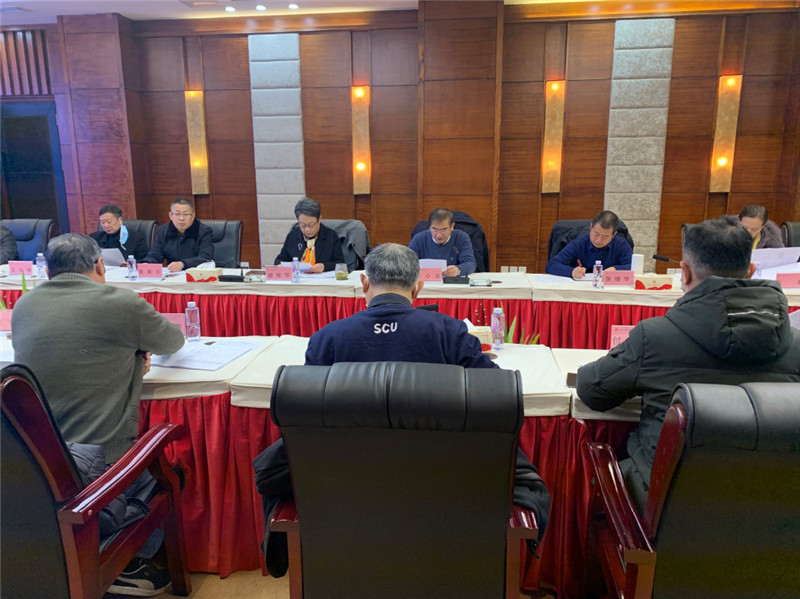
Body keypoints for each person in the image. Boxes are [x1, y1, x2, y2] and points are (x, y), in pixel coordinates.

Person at [255, 243, 550, 576]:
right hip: (446, 488)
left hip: (343, 490)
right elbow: (495, 398)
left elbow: (308, 418)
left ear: (364, 284)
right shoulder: (450, 333)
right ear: (418, 288)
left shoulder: (328, 339)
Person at [576, 218, 800, 513]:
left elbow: (592, 390)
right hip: (771, 515)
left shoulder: (654, 337)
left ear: (684, 271)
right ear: (750, 271)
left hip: (665, 510)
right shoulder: (796, 345)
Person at [12, 233, 185, 596]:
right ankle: (132, 561)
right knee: (174, 471)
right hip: (101, 469)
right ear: (100, 265)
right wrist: (134, 356)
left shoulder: (24, 305)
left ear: (47, 270)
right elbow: (173, 341)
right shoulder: (121, 303)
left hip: (40, 465)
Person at [545, 210, 633, 279]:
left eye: (605, 237)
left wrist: (616, 269)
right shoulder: (579, 243)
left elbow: (633, 267)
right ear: (591, 227)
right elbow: (551, 265)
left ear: (613, 235)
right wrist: (572, 271)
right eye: (596, 234)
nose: (599, 240)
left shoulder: (621, 245)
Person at [274, 197, 344, 273]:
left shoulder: (331, 236)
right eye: (303, 225)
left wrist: (324, 266)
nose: (307, 229)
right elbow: (279, 260)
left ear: (319, 219)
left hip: (321, 278)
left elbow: (340, 263)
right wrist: (280, 265)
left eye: (311, 225)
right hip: (299, 278)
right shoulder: (293, 236)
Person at [143, 198, 214, 272]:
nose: (181, 218)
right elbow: (155, 255)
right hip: (172, 274)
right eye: (177, 214)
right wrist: (147, 263)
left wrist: (183, 264)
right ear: (170, 215)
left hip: (195, 273)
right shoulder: (163, 231)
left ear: (193, 216)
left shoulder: (204, 231)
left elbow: (205, 257)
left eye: (185, 214)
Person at [409, 208, 477, 277]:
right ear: (429, 227)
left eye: (444, 229)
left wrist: (458, 270)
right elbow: (407, 264)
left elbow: (471, 263)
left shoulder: (461, 237)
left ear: (452, 226)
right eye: (434, 229)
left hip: (451, 281)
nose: (439, 235)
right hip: (426, 281)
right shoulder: (419, 239)